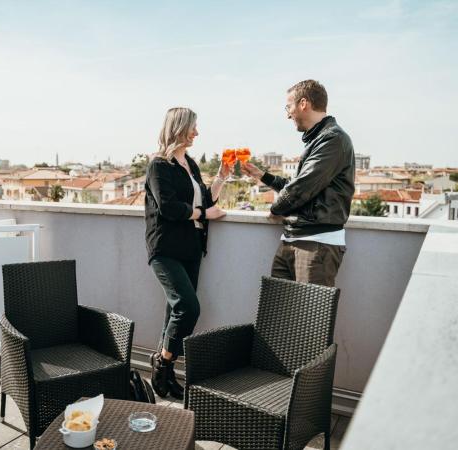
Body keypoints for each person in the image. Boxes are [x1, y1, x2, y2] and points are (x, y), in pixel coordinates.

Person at [145, 107, 227, 399]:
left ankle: (165, 375)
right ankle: (162, 362)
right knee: (187, 307)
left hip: (191, 248)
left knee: (174, 312)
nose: (197, 132)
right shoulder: (159, 165)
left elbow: (204, 199)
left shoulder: (190, 163)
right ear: (178, 128)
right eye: (193, 127)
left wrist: (220, 177)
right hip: (165, 248)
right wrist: (205, 213)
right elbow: (168, 208)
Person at [242, 80, 355, 287]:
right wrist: (263, 176)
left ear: (303, 103)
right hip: (293, 240)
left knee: (311, 318)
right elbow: (299, 185)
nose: (287, 114)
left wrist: (276, 208)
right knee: (278, 314)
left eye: (289, 107)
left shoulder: (333, 139)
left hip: (316, 244)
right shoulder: (319, 139)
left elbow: (302, 188)